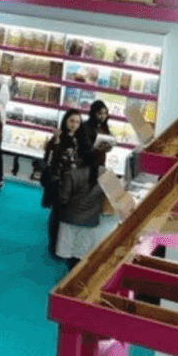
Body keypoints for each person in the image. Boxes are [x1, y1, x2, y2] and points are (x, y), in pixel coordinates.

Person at [48, 109, 105, 269]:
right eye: (71, 121)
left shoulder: (81, 140)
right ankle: (58, 251)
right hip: (62, 183)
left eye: (78, 122)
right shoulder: (59, 139)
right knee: (59, 217)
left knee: (66, 224)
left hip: (72, 186)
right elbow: (50, 161)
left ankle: (62, 252)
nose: (74, 125)